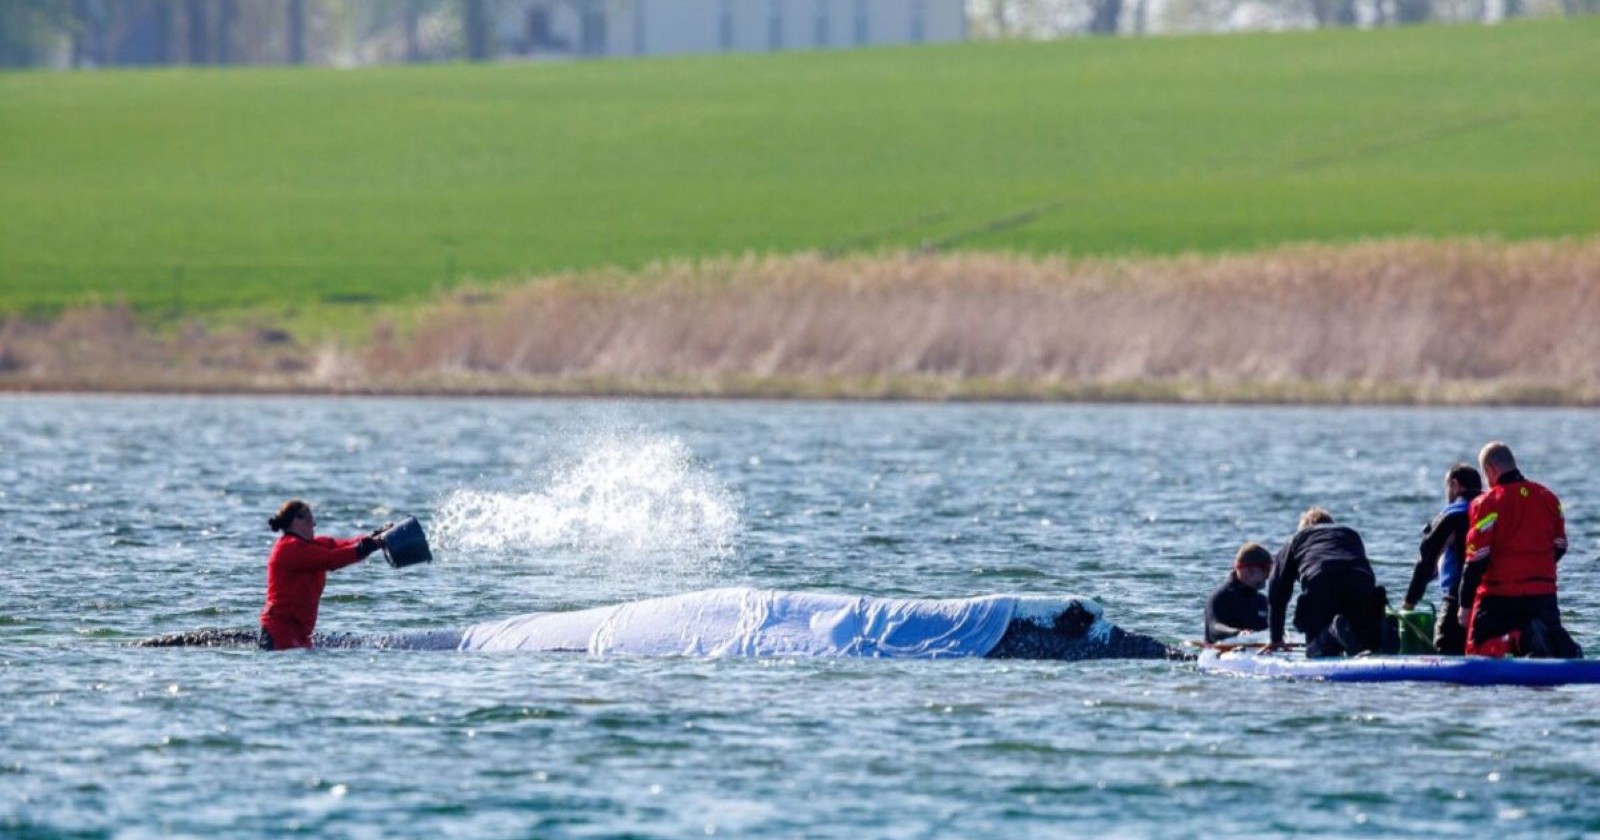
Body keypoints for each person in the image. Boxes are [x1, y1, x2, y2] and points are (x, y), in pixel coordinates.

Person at [1459, 442, 1582, 658]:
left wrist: (1465, 604)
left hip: (1500, 597)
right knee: (1545, 636)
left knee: (1476, 650)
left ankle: (1518, 640)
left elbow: (1477, 558)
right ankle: (1562, 643)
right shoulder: (1548, 498)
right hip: (1544, 595)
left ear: (1490, 470)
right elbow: (1560, 545)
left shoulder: (1487, 503)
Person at [259, 499, 384, 651]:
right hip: (279, 632)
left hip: (300, 634)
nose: (314, 524)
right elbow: (331, 559)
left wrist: (374, 537)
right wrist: (364, 548)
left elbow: (342, 545)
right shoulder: (289, 548)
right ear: (296, 522)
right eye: (310, 519)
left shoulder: (310, 545)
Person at [1266, 507, 1384, 658]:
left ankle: (1333, 631)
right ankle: (1384, 632)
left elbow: (1277, 590)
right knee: (1365, 644)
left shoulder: (1297, 538)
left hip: (1322, 581)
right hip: (1361, 582)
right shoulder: (1349, 533)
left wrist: (1276, 639)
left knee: (1315, 652)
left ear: (1304, 528)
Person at [1400, 463, 1483, 655]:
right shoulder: (1493, 511)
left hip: (1458, 599)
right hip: (1496, 598)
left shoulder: (1453, 514)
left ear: (1455, 485)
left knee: (1445, 653)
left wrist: (1410, 601)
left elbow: (1426, 561)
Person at [1205, 543, 1272, 643]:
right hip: (1222, 653)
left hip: (1256, 654)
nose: (1268, 576)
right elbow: (1214, 629)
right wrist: (1238, 634)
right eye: (1266, 570)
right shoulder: (1220, 597)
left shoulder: (1262, 601)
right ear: (1247, 570)